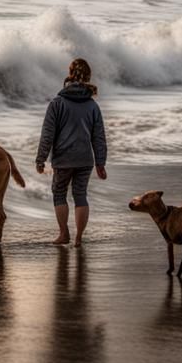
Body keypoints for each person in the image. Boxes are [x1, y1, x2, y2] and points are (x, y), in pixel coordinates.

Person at [35, 58, 108, 247]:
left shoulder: (57, 103)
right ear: (88, 76)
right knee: (80, 195)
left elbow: (47, 135)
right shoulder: (93, 106)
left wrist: (40, 159)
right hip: (85, 159)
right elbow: (98, 137)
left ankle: (64, 234)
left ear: (69, 74)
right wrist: (101, 162)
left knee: (59, 193)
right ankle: (78, 238)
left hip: (63, 159)